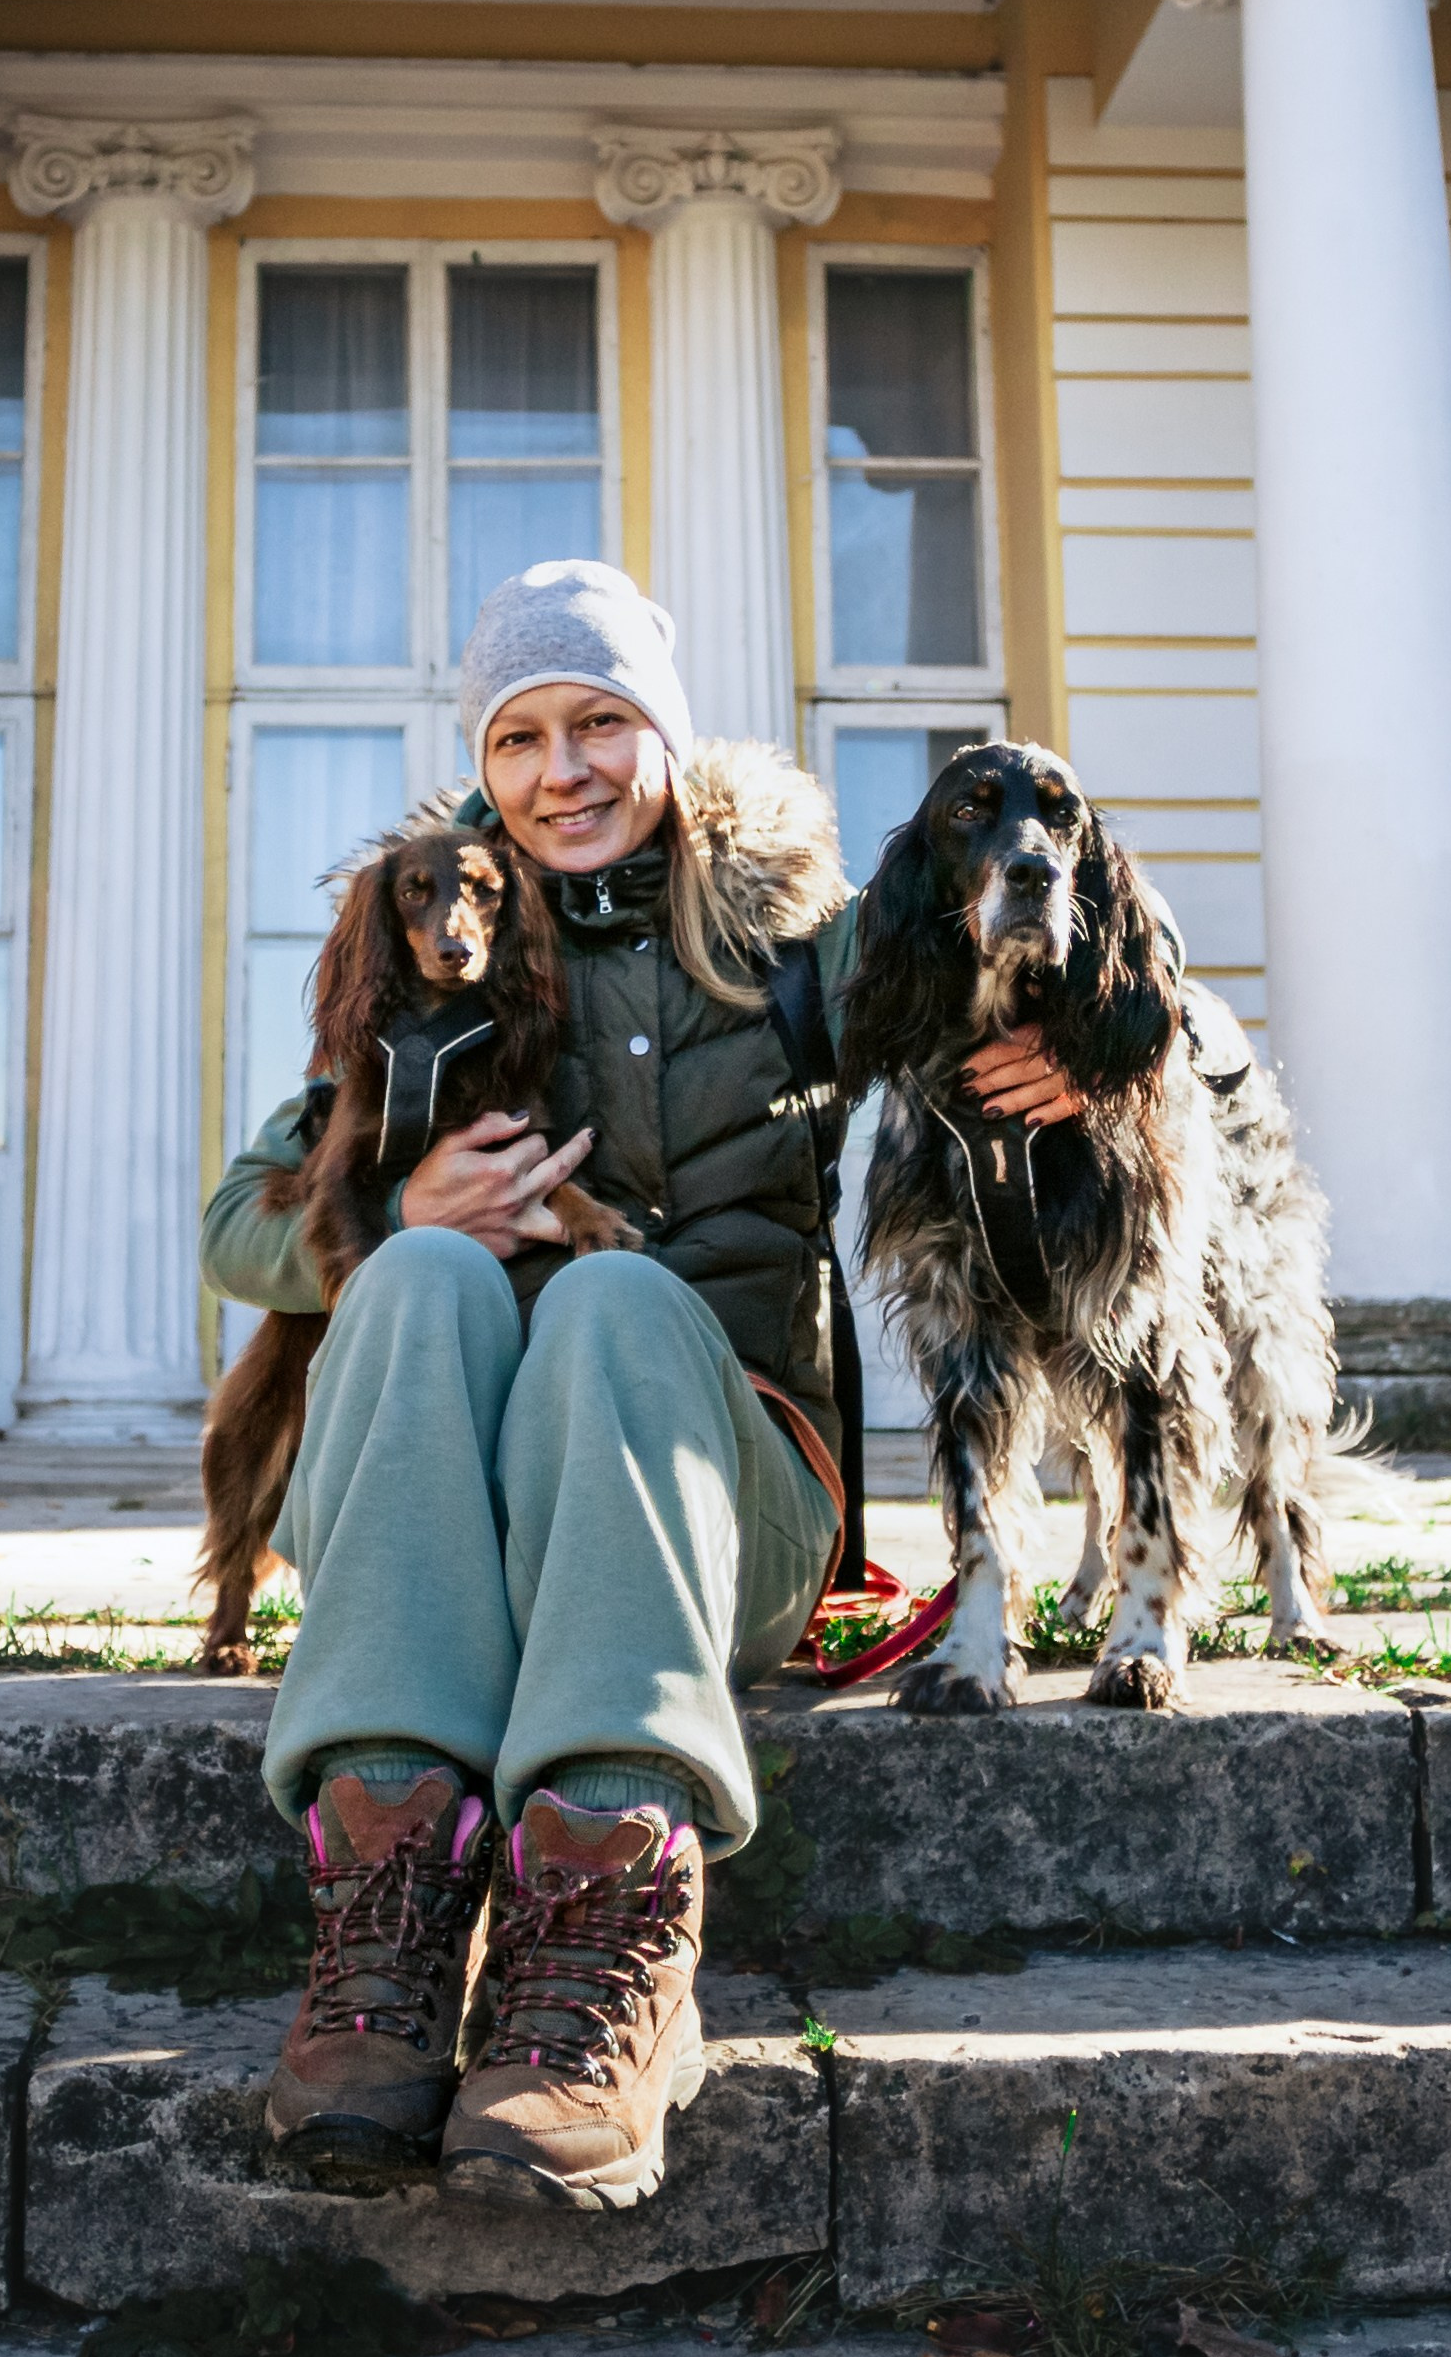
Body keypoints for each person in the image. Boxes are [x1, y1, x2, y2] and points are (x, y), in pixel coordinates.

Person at [200, 558, 1071, 2215]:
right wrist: (394, 1212)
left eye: (601, 722)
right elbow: (237, 1226)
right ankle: (385, 1894)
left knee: (607, 1296)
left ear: (664, 738)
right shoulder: (427, 941)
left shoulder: (796, 938)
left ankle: (608, 1893)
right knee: (432, 1273)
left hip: (710, 1501)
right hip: (448, 1542)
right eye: (520, 736)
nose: (563, 770)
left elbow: (1021, 978)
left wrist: (1083, 1069)